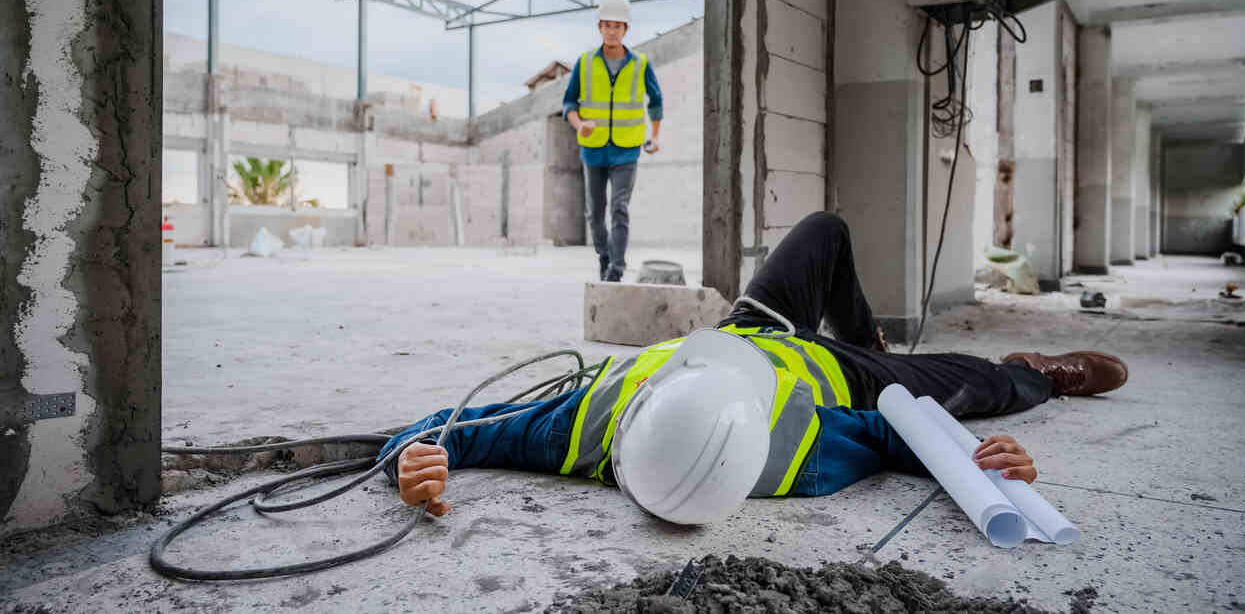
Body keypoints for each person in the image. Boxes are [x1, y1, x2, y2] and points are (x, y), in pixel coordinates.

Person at [382, 212, 1128, 523]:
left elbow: (454, 428)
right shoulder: (803, 451)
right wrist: (981, 458)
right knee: (987, 386)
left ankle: (869, 334)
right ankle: (1041, 372)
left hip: (751, 332)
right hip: (848, 378)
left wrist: (409, 457)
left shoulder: (577, 422)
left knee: (824, 230)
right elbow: (902, 435)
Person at [561, 0, 663, 282]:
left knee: (619, 207)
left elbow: (656, 100)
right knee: (595, 214)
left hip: (627, 149)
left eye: (618, 26)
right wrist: (579, 124)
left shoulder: (641, 64)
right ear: (600, 27)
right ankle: (604, 256)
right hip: (593, 150)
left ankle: (616, 270)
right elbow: (569, 103)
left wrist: (654, 136)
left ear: (626, 29)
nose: (612, 31)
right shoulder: (584, 63)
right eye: (607, 25)